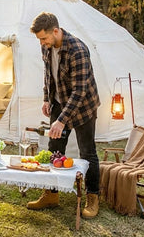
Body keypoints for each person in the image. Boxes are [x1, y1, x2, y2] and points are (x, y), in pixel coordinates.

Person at [28, 12, 101, 219]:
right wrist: (46, 98)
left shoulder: (78, 50)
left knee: (87, 152)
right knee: (55, 149)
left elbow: (80, 91)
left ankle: (93, 197)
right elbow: (48, 73)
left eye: (44, 38)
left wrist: (61, 121)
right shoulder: (46, 45)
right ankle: (51, 194)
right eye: (40, 39)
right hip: (59, 102)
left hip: (83, 105)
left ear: (56, 31)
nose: (42, 43)